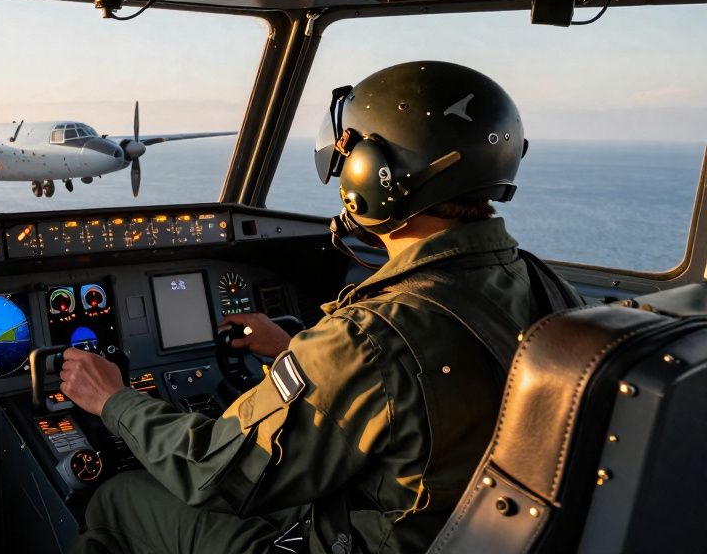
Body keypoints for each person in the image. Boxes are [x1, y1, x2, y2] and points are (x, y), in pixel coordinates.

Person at [60, 61, 582, 554]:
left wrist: (113, 399)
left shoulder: (372, 338)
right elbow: (428, 399)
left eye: (348, 154)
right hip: (467, 537)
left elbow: (211, 472)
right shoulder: (548, 286)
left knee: (116, 499)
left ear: (373, 171)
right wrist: (297, 353)